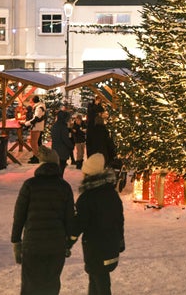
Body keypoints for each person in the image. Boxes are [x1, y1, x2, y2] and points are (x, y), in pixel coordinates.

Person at [11, 145, 77, 295]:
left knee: (30, 286)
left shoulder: (30, 185)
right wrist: (68, 243)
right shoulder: (64, 187)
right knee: (51, 285)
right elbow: (70, 219)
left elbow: (19, 215)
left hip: (33, 244)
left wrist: (16, 241)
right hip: (56, 245)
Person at [74, 152, 125, 295]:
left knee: (100, 280)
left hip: (96, 248)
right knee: (98, 278)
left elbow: (79, 223)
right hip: (111, 245)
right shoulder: (111, 193)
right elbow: (119, 219)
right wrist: (120, 241)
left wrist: (68, 239)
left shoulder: (87, 198)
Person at [51, 109, 74, 176]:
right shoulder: (63, 126)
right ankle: (59, 182)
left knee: (57, 168)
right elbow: (65, 139)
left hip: (55, 149)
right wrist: (71, 145)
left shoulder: (55, 125)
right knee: (61, 168)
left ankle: (57, 181)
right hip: (62, 150)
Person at [25, 96, 47, 164]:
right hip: (36, 126)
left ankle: (36, 157)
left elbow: (36, 118)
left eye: (31, 101)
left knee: (34, 143)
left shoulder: (39, 108)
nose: (30, 103)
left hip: (37, 127)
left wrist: (27, 123)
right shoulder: (39, 107)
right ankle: (35, 155)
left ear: (34, 101)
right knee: (33, 142)